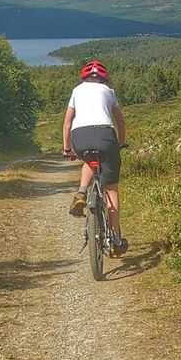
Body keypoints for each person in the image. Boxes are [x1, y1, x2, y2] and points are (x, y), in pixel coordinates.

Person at [62, 60, 128, 255]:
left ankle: (82, 192)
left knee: (88, 160)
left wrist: (67, 149)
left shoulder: (76, 90)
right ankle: (115, 238)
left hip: (80, 137)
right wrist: (121, 142)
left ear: (84, 77)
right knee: (111, 188)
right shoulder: (109, 92)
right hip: (105, 136)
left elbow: (66, 124)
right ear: (103, 78)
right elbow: (120, 121)